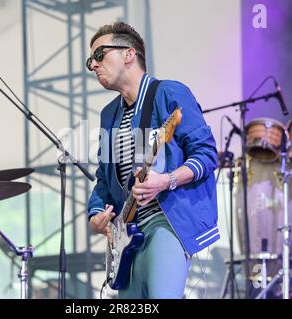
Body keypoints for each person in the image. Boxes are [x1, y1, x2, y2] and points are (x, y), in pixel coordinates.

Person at [86, 22, 219, 299]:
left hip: (164, 222)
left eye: (99, 55)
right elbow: (104, 178)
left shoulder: (169, 93)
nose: (93, 65)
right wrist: (96, 215)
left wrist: (166, 180)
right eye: (91, 61)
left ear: (129, 54)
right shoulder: (108, 115)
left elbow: (206, 155)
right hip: (127, 238)